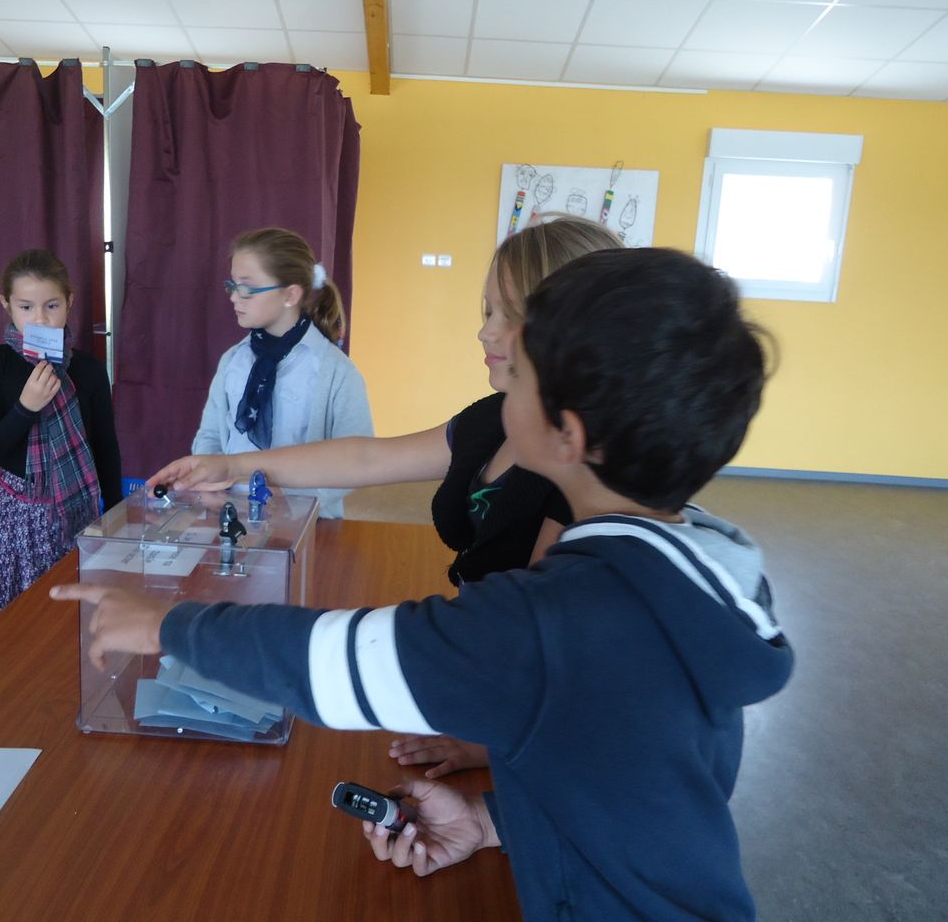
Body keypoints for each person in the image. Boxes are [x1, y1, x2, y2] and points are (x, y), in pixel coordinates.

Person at [56, 246, 794, 922]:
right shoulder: (691, 582)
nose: (498, 361)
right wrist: (490, 820)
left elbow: (343, 658)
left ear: (567, 435)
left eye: (521, 371)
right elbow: (632, 777)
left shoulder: (561, 617)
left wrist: (166, 624)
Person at [153, 217, 622, 778]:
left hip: (516, 698)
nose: (485, 333)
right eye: (487, 311)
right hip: (491, 671)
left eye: (508, 315)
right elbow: (367, 458)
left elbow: (546, 647)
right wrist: (231, 464)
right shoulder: (494, 419)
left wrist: (489, 745)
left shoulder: (587, 478)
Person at [0, 249, 121, 622]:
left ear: (69, 302)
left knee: (71, 613)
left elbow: (105, 446)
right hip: (16, 511)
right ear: (6, 304)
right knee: (13, 617)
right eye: (26, 307)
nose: (40, 318)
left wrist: (112, 515)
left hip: (77, 505)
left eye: (52, 305)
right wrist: (25, 407)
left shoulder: (89, 369)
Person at [189, 227, 373, 518]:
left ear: (290, 295)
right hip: (235, 517)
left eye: (247, 288)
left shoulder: (335, 372)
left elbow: (356, 461)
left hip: (308, 522)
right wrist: (211, 480)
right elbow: (210, 435)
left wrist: (291, 501)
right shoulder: (233, 361)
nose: (234, 297)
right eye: (232, 285)